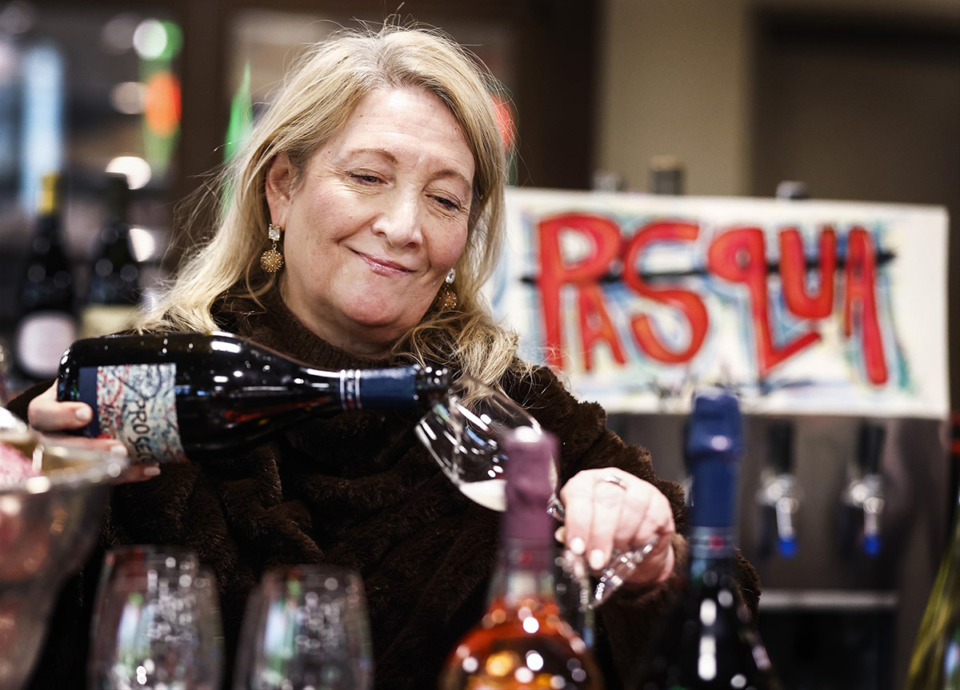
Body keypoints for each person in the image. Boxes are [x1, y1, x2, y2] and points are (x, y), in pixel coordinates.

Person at [9, 23, 760, 689]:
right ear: (282, 188)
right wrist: (43, 496)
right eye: (368, 177)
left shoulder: (517, 411)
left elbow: (716, 612)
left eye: (444, 199)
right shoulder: (150, 381)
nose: (404, 226)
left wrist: (647, 563)